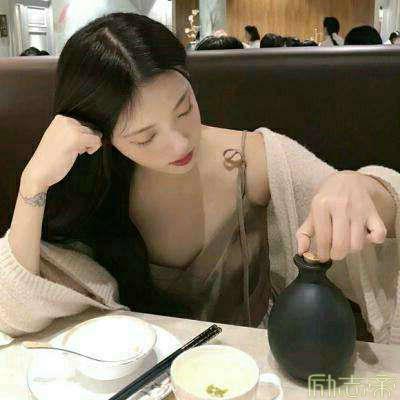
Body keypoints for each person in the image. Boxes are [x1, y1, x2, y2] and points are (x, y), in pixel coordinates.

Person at [1, 13, 400, 347]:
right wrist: (32, 185)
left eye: (184, 108)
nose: (179, 143)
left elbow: (383, 217)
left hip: (252, 371)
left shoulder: (255, 161)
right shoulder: (97, 189)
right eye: (145, 137)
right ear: (100, 137)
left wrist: (363, 186)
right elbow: (14, 310)